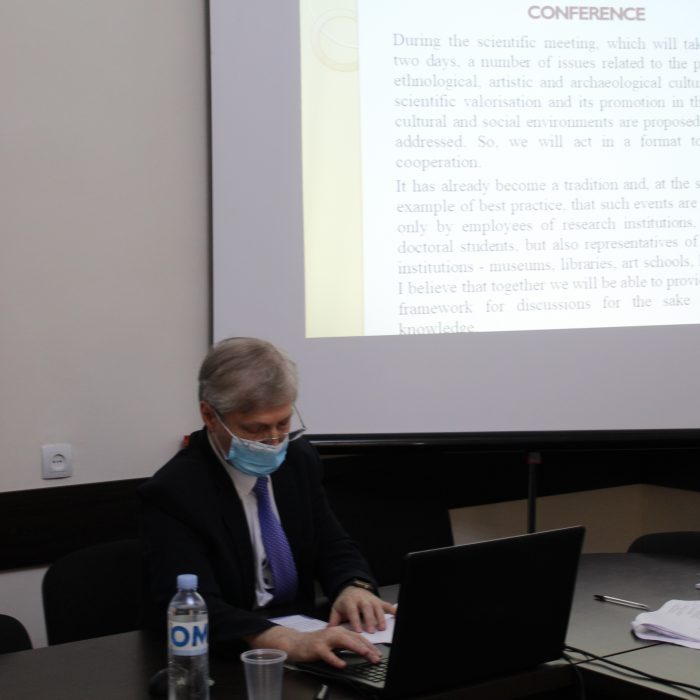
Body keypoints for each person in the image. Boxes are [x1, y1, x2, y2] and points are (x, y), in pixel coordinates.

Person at [139, 337, 395, 667]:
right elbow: (196, 606)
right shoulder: (175, 493)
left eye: (283, 423)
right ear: (210, 415)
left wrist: (353, 586)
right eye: (255, 429)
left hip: (305, 639)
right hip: (227, 658)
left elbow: (332, 544)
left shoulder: (298, 459)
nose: (274, 442)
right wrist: (281, 639)